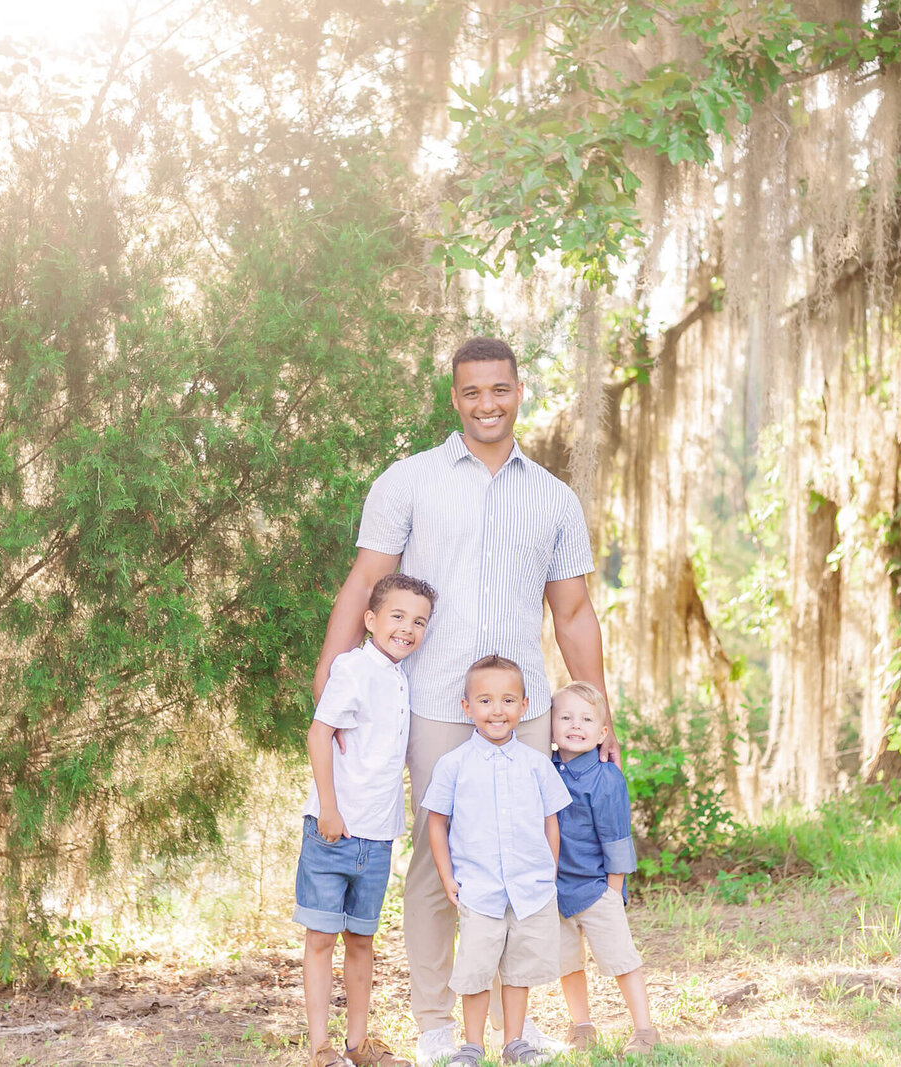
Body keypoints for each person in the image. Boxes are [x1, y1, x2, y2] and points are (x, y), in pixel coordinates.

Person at [312, 335, 616, 1065]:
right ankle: (435, 1024)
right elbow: (363, 584)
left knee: (522, 862)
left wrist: (602, 712)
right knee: (436, 863)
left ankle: (516, 1025)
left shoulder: (553, 498)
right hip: (431, 705)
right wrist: (330, 672)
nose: (487, 403)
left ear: (518, 392)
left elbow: (573, 614)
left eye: (500, 390)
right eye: (472, 391)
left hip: (527, 707)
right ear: (455, 398)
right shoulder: (408, 481)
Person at [295, 573, 438, 1067]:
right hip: (334, 830)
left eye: (419, 621)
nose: (408, 628)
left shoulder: (401, 675)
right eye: (397, 616)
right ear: (371, 620)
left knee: (361, 941)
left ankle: (358, 1046)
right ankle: (321, 1047)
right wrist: (329, 809)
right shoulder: (353, 669)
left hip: (377, 837)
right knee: (321, 940)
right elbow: (319, 735)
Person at [422, 656, 571, 1067]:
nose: (497, 710)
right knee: (476, 969)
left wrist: (549, 871)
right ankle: (471, 1045)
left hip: (529, 889)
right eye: (485, 701)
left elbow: (550, 822)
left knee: (519, 970)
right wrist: (447, 877)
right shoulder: (454, 765)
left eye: (507, 700)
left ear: (524, 706)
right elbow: (437, 823)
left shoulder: (537, 765)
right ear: (467, 707)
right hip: (479, 888)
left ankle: (514, 1042)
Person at [550, 682, 661, 1055]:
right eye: (565, 717)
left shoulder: (605, 777)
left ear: (602, 732)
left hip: (598, 887)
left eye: (586, 719)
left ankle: (644, 1029)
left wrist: (613, 892)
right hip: (557, 888)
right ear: (551, 725)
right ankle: (581, 1025)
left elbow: (616, 838)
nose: (575, 725)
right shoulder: (546, 770)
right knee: (568, 961)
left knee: (620, 959)